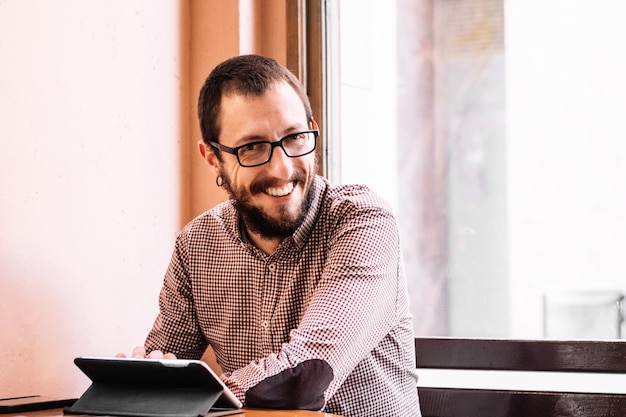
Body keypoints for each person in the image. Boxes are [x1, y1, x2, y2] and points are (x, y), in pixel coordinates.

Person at [123, 54, 421, 416]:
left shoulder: (363, 220)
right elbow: (163, 371)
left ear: (312, 127)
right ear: (213, 158)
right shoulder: (196, 244)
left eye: (294, 138)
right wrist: (147, 382)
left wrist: (189, 395)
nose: (282, 169)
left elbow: (307, 376)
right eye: (252, 147)